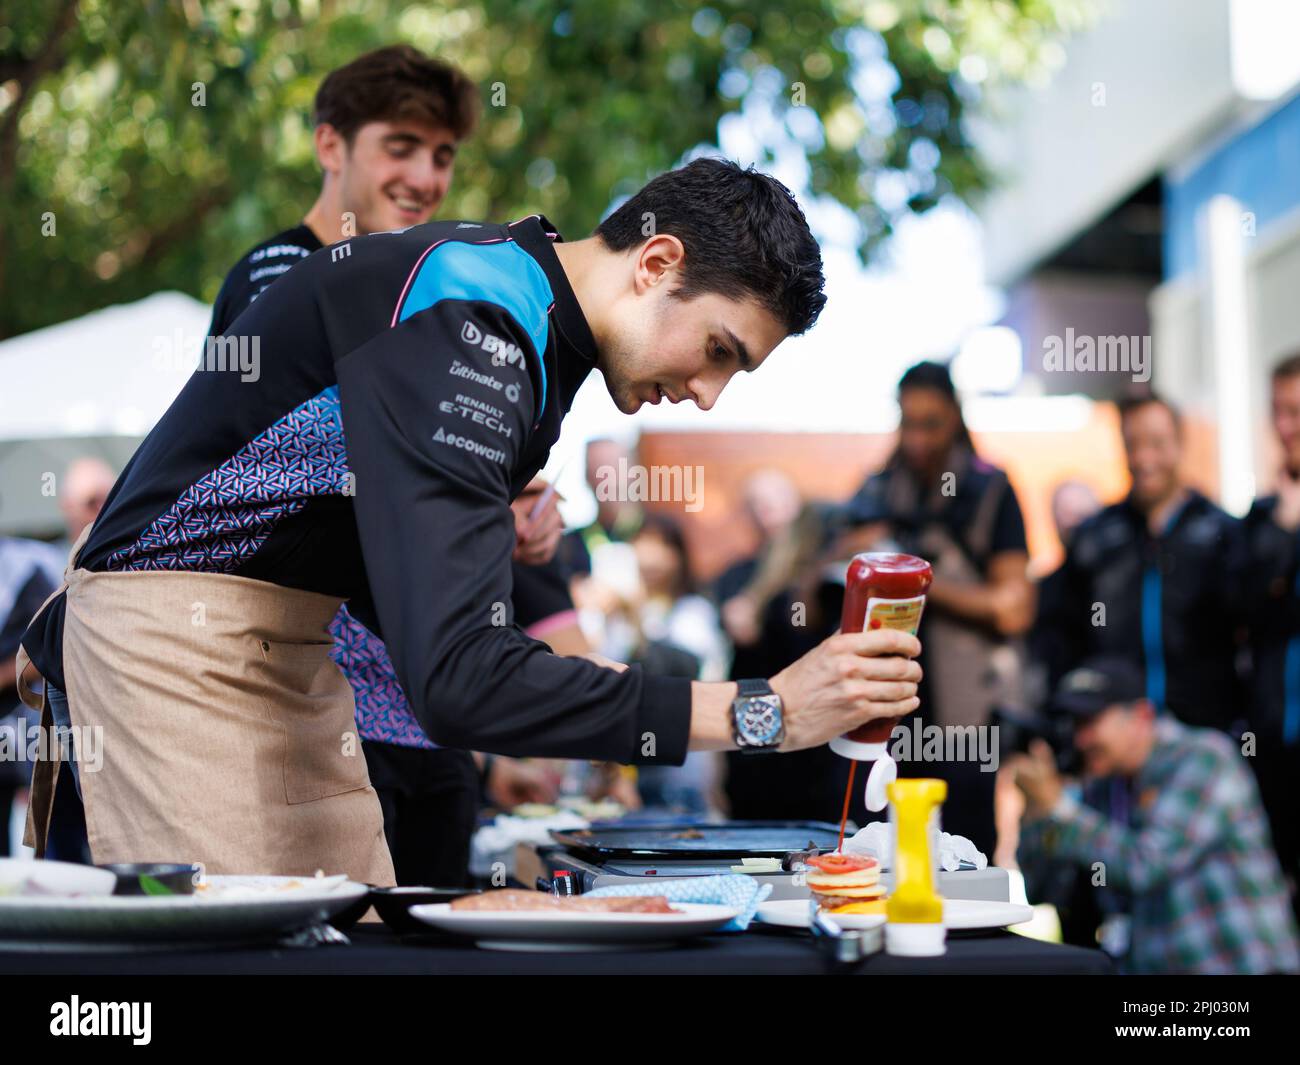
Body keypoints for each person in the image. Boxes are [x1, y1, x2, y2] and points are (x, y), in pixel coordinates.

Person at [18, 158, 923, 881]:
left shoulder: (530, 325)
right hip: (171, 641)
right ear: (657, 263)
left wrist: (486, 536)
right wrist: (761, 710)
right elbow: (455, 675)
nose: (707, 396)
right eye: (718, 349)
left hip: (287, 650)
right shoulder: (478, 313)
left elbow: (394, 588)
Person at [204, 45, 573, 885]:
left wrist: (518, 510)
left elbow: (437, 468)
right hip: (315, 717)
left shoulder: (422, 293)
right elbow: (307, 479)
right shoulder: (278, 276)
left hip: (430, 722)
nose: (425, 175)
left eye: (442, 155)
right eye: (400, 146)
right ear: (331, 146)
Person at [838, 360, 1035, 857]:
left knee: (968, 859)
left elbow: (1013, 609)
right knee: (879, 855)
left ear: (955, 417)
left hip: (965, 718)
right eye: (908, 423)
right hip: (888, 715)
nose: (917, 441)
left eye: (932, 424)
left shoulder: (991, 490)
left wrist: (913, 578)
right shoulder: (877, 488)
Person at [1013, 657, 1300, 974]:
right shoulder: (1101, 786)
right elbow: (1041, 890)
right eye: (1074, 725)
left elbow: (1146, 865)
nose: (1080, 740)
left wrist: (1058, 809)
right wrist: (1036, 812)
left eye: (1090, 722)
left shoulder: (1203, 757)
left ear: (1141, 716)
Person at [1047, 395, 1245, 731]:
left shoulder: (1221, 534)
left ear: (1180, 444)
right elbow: (1061, 638)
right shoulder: (1096, 539)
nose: (1143, 458)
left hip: (1204, 734)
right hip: (1116, 741)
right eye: (1132, 444)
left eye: (1156, 443)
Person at [1242, 352, 1300, 917]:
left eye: (1297, 411)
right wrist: (1285, 527)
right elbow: (1242, 611)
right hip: (1273, 744)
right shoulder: (1262, 520)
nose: (1286, 426)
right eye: (1278, 411)